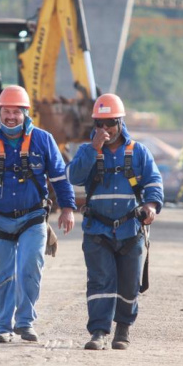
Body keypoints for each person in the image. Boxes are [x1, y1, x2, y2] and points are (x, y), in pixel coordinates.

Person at [0, 85, 76, 344]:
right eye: (6, 111)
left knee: (29, 269)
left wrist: (67, 208)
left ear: (26, 113)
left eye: (16, 112)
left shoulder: (43, 140)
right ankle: (3, 326)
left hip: (32, 217)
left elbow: (60, 177)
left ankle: (25, 322)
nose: (11, 117)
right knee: (3, 277)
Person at [68, 94, 163, 351]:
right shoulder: (87, 151)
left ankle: (123, 329)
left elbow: (154, 181)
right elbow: (73, 176)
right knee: (100, 282)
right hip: (97, 230)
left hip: (131, 230)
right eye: (99, 123)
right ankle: (98, 331)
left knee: (129, 283)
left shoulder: (138, 152)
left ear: (120, 122)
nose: (104, 129)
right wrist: (93, 150)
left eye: (110, 123)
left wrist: (151, 206)